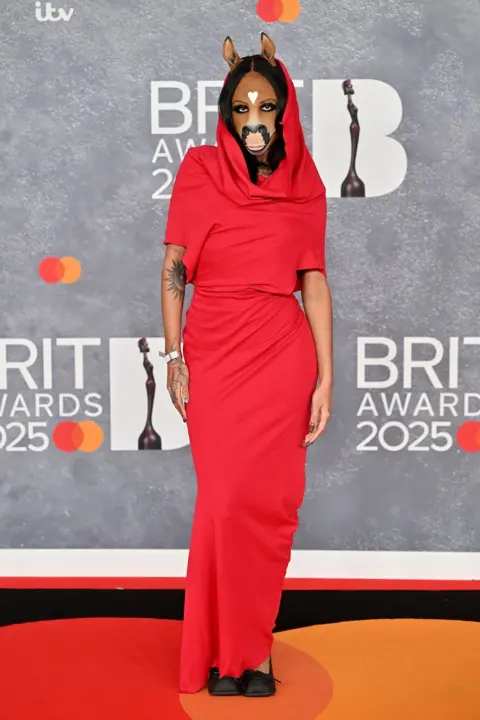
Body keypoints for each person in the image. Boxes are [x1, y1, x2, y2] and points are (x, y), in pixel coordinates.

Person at [160, 32, 333, 697]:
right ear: (226, 112)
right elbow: (174, 266)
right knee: (224, 503)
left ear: (284, 110)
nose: (254, 120)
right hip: (214, 348)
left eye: (266, 107)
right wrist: (174, 354)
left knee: (269, 506)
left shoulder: (306, 180)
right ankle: (217, 650)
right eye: (242, 107)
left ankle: (251, 655)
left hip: (282, 355)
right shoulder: (200, 169)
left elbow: (314, 281)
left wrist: (327, 375)